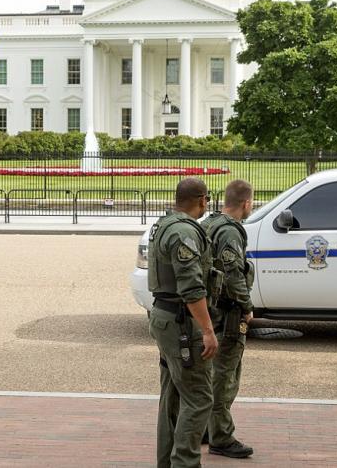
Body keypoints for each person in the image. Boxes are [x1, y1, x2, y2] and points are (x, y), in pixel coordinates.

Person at [148, 177, 218, 468]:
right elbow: (191, 287)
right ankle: (185, 463)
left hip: (166, 319)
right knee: (200, 397)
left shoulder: (164, 224)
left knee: (173, 396)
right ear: (202, 200)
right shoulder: (182, 232)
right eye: (208, 200)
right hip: (181, 324)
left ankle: (168, 462)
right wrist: (208, 330)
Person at [201, 179, 255, 459]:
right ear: (246, 203)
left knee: (212, 374)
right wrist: (247, 305)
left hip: (210, 312)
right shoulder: (230, 232)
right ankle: (221, 436)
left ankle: (206, 429)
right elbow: (234, 274)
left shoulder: (209, 223)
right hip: (227, 314)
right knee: (226, 377)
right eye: (251, 203)